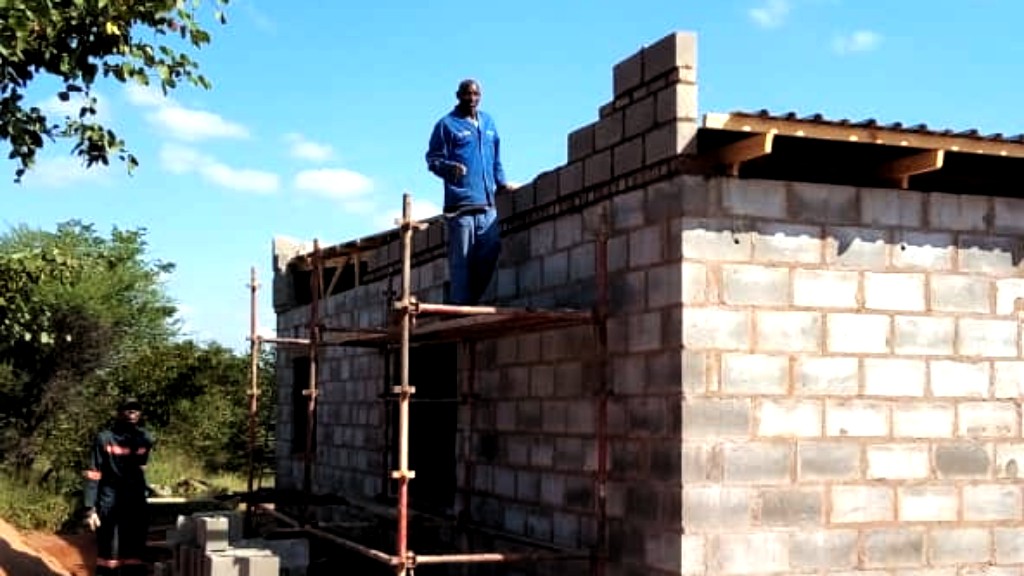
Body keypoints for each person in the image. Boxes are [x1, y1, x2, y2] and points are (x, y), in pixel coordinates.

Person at [426, 78, 516, 306]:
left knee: (491, 250)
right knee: (462, 262)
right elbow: (433, 159)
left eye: (476, 95)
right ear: (458, 96)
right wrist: (449, 168)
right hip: (461, 208)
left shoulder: (488, 123)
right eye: (467, 94)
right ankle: (461, 306)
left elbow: (496, 158)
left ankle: (470, 302)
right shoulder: (447, 125)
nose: (472, 99)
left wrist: (502, 183)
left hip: (487, 206)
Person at [82, 397, 155, 576]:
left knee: (134, 553)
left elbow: (140, 468)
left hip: (135, 502)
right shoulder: (104, 439)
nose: (132, 413)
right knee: (110, 554)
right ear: (119, 412)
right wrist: (90, 508)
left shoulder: (145, 439)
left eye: (136, 409)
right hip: (110, 503)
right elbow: (94, 473)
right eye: (128, 409)